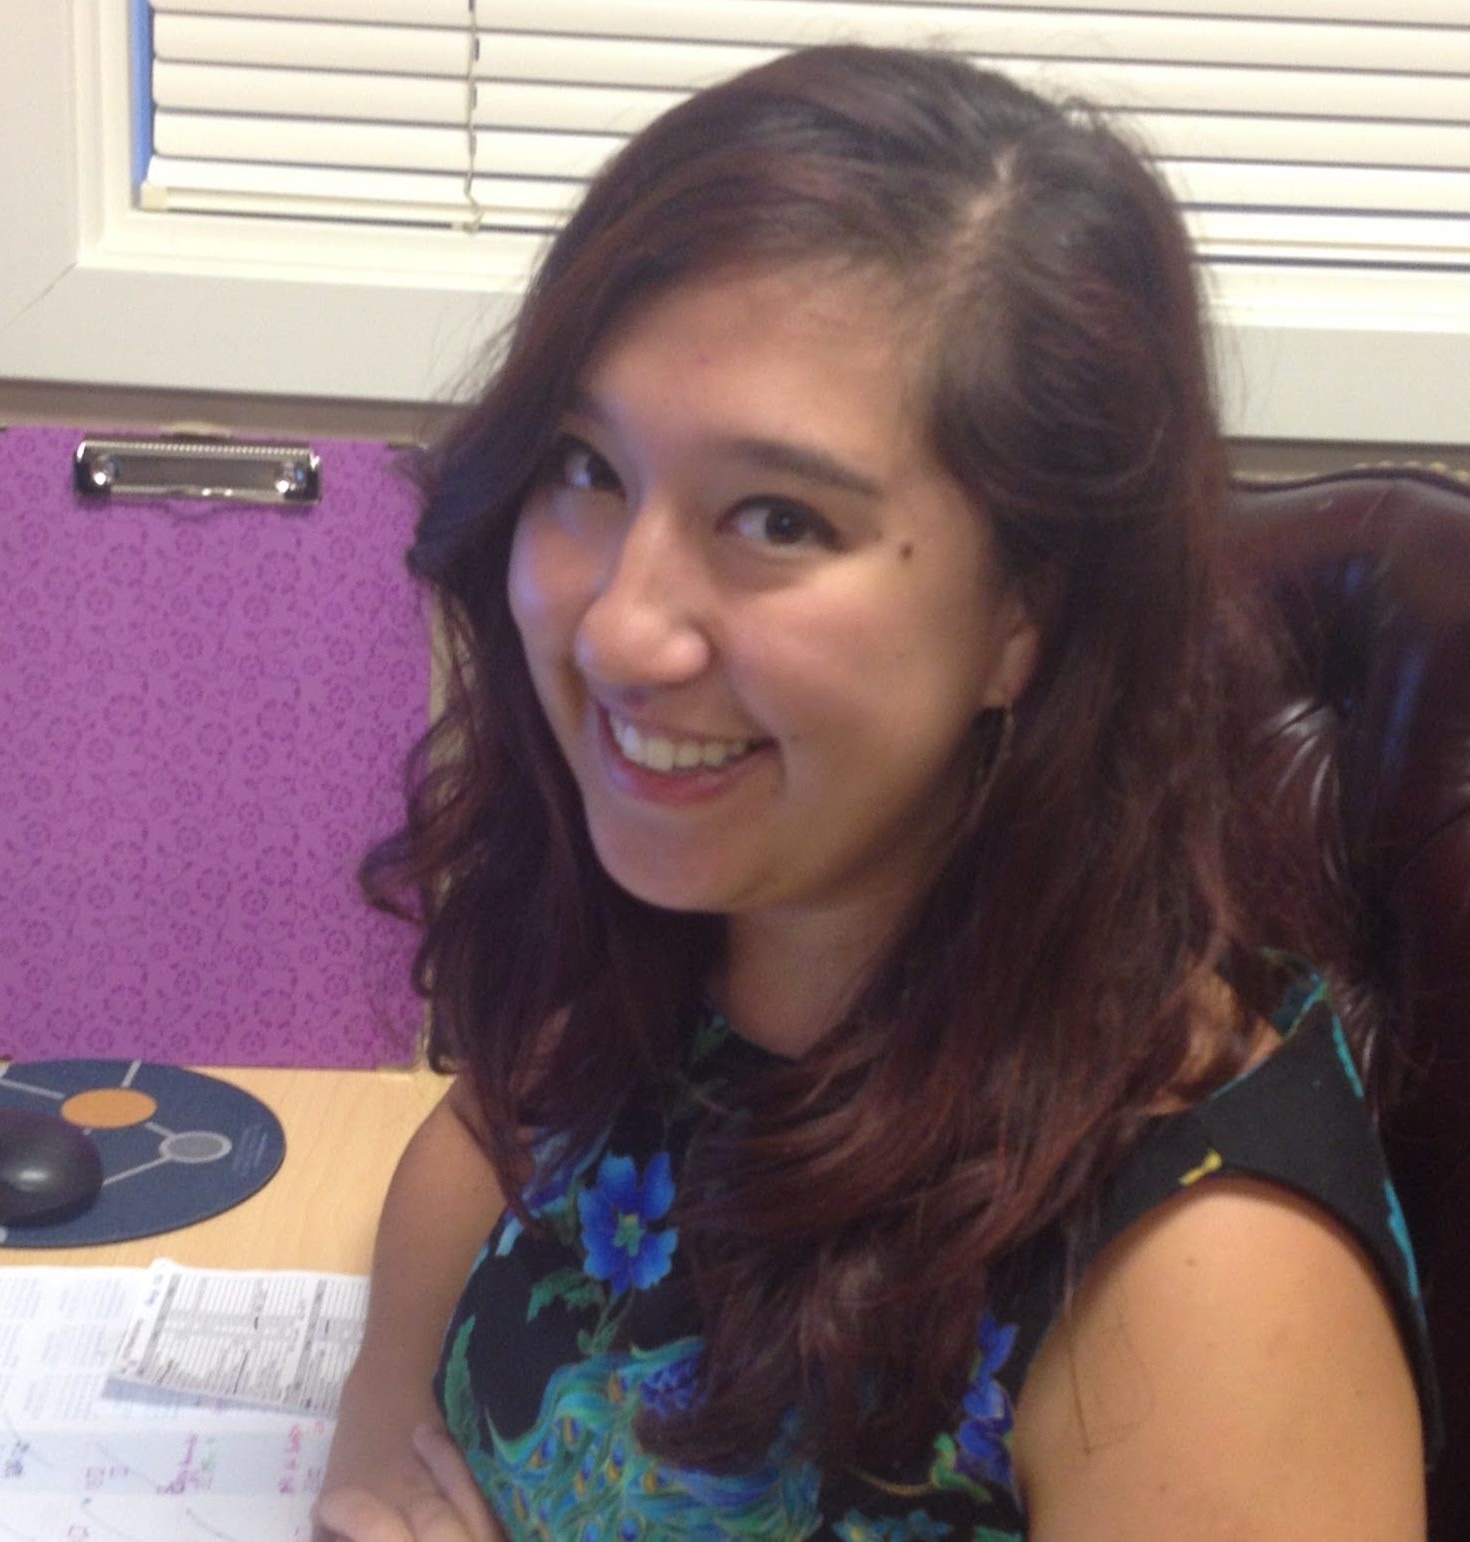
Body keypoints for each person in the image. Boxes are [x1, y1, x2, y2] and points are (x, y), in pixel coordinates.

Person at [313, 44, 1436, 1542]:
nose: (619, 630)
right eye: (585, 465)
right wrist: (379, 1440)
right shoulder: (677, 947)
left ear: (1027, 613)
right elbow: (475, 1182)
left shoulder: (1205, 1290)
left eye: (779, 518)